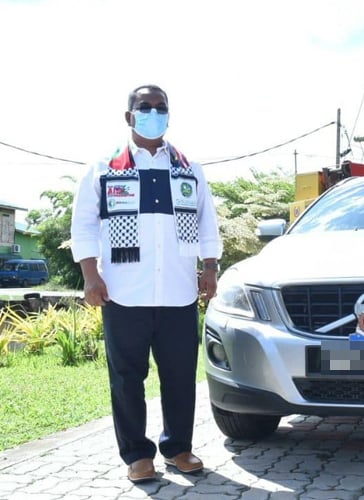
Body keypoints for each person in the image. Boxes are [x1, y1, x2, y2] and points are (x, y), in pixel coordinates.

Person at [70, 84, 222, 483]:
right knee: (126, 378)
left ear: (169, 114)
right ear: (129, 115)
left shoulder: (188, 168)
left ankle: (179, 448)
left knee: (180, 376)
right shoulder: (104, 168)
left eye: (160, 107)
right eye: (145, 106)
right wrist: (90, 275)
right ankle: (137, 455)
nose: (153, 113)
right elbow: (83, 225)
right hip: (124, 292)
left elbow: (207, 221)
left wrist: (210, 267)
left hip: (178, 292)